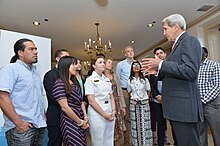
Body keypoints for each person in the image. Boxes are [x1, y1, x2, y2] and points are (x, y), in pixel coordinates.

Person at [142, 14, 203, 146]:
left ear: (176, 27)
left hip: (184, 108)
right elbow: (177, 72)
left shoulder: (189, 41)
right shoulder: (176, 46)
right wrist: (158, 71)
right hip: (178, 108)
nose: (164, 33)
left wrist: (161, 64)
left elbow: (190, 71)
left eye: (165, 29)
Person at [0, 38, 47, 146]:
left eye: (36, 49)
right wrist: (19, 122)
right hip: (21, 129)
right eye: (31, 49)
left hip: (39, 126)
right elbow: (2, 97)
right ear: (20, 53)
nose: (36, 52)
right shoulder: (11, 69)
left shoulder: (35, 73)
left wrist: (43, 116)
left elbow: (38, 97)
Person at [52, 56, 89, 146]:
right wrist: (80, 122)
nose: (76, 67)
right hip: (69, 120)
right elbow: (65, 107)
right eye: (73, 64)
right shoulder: (59, 83)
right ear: (65, 66)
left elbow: (81, 102)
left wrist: (85, 117)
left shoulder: (74, 82)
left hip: (80, 118)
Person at [84, 56, 115, 146]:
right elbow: (91, 101)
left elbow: (111, 96)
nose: (103, 64)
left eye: (103, 62)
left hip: (109, 111)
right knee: (98, 141)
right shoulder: (90, 80)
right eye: (100, 62)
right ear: (94, 65)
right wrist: (105, 115)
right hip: (97, 113)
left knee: (109, 139)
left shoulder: (106, 79)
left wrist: (113, 110)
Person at [43, 49, 69, 146]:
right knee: (55, 142)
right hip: (56, 114)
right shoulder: (50, 74)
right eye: (65, 57)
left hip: (67, 114)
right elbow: (52, 97)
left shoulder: (67, 74)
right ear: (57, 59)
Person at [149, 47, 174, 146]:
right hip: (157, 101)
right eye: (157, 53)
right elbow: (152, 86)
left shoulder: (170, 66)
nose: (159, 55)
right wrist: (157, 96)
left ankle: (176, 142)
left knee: (173, 123)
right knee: (160, 123)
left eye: (161, 53)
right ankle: (160, 143)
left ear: (165, 54)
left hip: (170, 100)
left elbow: (172, 84)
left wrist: (166, 97)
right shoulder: (152, 70)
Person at [198, 47, 220, 146]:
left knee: (217, 132)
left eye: (200, 51)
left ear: (205, 54)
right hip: (198, 105)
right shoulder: (195, 67)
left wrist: (204, 100)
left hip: (212, 105)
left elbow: (217, 85)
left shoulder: (214, 65)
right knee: (201, 133)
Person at [127, 60, 152, 146]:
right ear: (132, 68)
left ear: (140, 68)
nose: (136, 66)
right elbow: (129, 92)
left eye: (138, 65)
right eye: (134, 65)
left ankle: (146, 144)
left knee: (145, 125)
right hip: (134, 105)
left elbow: (148, 91)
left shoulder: (144, 79)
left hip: (144, 104)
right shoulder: (130, 80)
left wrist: (145, 100)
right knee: (135, 125)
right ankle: (136, 143)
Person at [104, 57, 126, 146]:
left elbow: (119, 91)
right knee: (109, 128)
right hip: (107, 105)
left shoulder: (115, 76)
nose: (111, 64)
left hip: (117, 103)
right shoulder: (101, 77)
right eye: (109, 62)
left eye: (111, 62)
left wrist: (123, 106)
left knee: (118, 127)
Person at [116, 45, 135, 145]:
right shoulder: (120, 65)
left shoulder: (137, 63)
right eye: (128, 51)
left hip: (136, 92)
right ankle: (127, 141)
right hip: (125, 91)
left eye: (132, 51)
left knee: (135, 115)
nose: (131, 52)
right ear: (125, 54)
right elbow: (118, 80)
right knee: (127, 116)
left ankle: (137, 139)